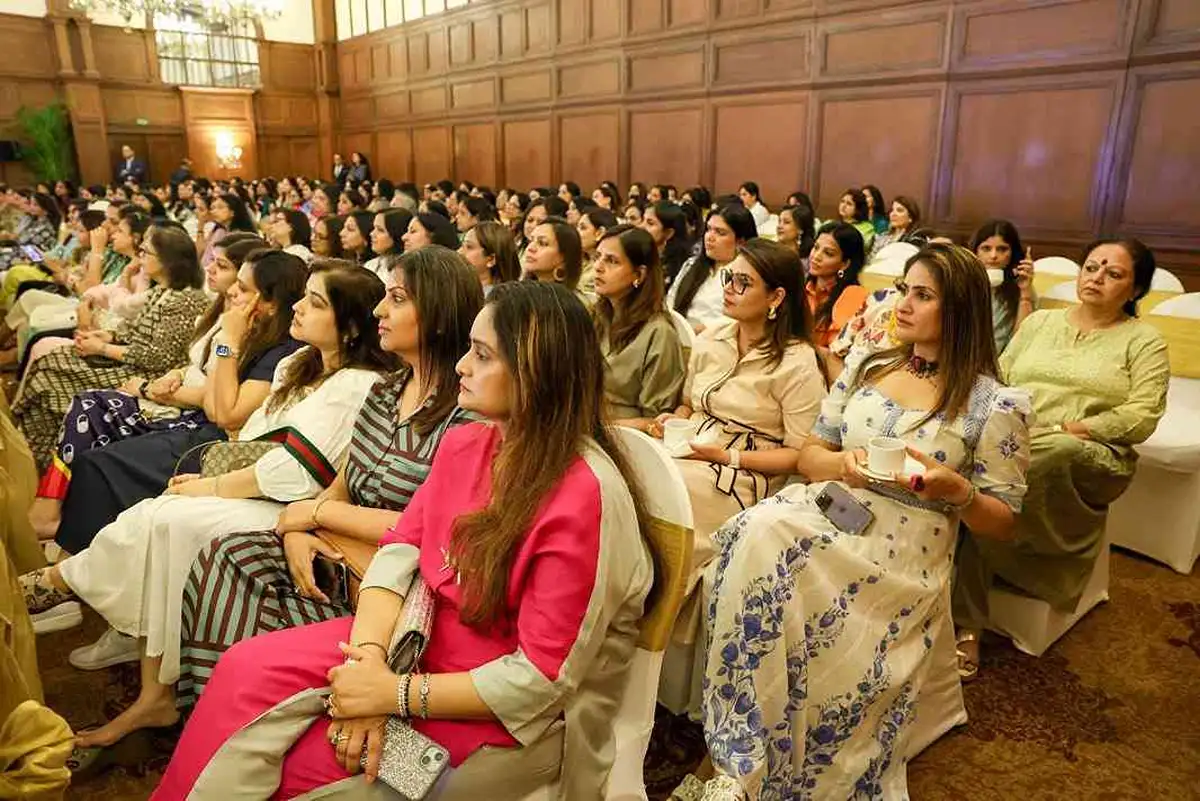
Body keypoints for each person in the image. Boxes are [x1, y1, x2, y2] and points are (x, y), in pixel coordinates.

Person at [154, 281, 654, 800]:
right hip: (414, 640)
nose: (461, 366)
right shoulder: (468, 443)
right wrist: (369, 660)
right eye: (468, 349)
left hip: (498, 706)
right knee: (242, 670)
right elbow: (399, 551)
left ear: (537, 373)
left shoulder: (585, 497)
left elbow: (541, 677)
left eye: (482, 356)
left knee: (308, 767)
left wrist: (394, 694)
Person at [689, 243, 1030, 800]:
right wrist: (844, 466)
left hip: (905, 546)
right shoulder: (869, 366)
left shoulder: (994, 404)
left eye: (923, 296)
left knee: (770, 541)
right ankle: (742, 751)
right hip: (833, 506)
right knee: (754, 533)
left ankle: (758, 757)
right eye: (902, 290)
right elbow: (809, 456)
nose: (903, 304)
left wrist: (958, 491)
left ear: (960, 309)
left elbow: (1004, 523)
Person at [19, 265, 395, 754]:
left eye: (316, 303)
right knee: (159, 513)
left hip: (289, 501)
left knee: (169, 516)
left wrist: (213, 484)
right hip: (241, 470)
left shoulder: (354, 383)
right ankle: (149, 687)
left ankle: (60, 583)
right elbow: (239, 431)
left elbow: (292, 468)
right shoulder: (297, 362)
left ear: (350, 327)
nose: (299, 308)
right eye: (303, 296)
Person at [174, 246, 484, 705]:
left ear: (438, 315)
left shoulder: (464, 413)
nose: (379, 310)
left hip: (394, 575)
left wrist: (311, 515)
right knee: (224, 556)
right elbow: (342, 482)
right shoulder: (383, 390)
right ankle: (213, 707)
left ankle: (262, 703)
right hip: (334, 542)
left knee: (211, 546)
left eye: (397, 299)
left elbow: (429, 528)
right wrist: (301, 530)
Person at [953, 237, 1168, 680]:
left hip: (1090, 453)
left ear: (1135, 289)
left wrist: (1076, 428)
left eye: (1114, 274)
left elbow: (1143, 414)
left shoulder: (1143, 340)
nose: (1097, 277)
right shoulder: (1041, 322)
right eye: (1091, 267)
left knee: (1019, 466)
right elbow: (999, 376)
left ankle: (967, 623)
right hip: (1017, 441)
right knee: (982, 473)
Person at [38, 246, 307, 561]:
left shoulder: (280, 349)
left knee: (98, 463)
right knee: (93, 440)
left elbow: (223, 414)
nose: (233, 291)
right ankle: (73, 557)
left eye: (244, 287)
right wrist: (217, 350)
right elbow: (211, 395)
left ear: (272, 303)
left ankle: (71, 568)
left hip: (221, 445)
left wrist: (228, 343)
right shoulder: (252, 330)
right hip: (203, 426)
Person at [650, 238, 827, 576]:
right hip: (692, 448)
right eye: (729, 278)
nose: (729, 288)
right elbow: (688, 404)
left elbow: (800, 455)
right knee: (628, 470)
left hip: (745, 474)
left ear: (776, 297)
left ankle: (663, 590)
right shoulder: (712, 337)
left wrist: (727, 457)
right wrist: (674, 420)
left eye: (743, 282)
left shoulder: (798, 362)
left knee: (661, 488)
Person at [12, 225, 210, 471]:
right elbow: (133, 329)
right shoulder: (163, 290)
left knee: (49, 379)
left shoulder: (186, 300)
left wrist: (102, 348)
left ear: (167, 261)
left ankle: (42, 462)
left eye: (146, 252)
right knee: (49, 361)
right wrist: (107, 335)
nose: (140, 256)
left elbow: (158, 357)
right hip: (133, 361)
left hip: (148, 374)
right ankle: (32, 454)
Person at [592, 225, 685, 431]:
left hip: (625, 437)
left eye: (612, 261)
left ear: (639, 275)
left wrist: (596, 427)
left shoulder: (659, 333)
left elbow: (656, 421)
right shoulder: (596, 316)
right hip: (584, 426)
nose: (598, 266)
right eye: (597, 257)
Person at [667, 205, 757, 333]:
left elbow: (741, 319)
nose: (710, 237)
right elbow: (670, 302)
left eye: (720, 233)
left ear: (740, 241)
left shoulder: (748, 276)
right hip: (679, 333)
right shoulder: (691, 265)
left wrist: (702, 330)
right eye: (708, 229)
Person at [969, 219, 1037, 353]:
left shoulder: (1022, 288)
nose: (993, 256)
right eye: (986, 248)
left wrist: (1025, 292)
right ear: (975, 251)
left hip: (1002, 359)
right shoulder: (962, 282)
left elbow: (1022, 340)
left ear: (1012, 253)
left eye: (1002, 249)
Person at [807, 221, 869, 348]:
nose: (816, 256)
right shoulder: (803, 287)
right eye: (816, 247)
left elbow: (837, 350)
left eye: (828, 253)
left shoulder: (854, 295)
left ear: (845, 264)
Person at [523, 216, 585, 299]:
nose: (530, 248)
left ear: (564, 258)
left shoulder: (573, 302)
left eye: (542, 243)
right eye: (530, 241)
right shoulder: (520, 293)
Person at [458, 220, 520, 295]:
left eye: (469, 247)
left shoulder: (495, 299)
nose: (459, 252)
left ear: (491, 259)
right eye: (462, 245)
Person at [869, 195, 922, 261]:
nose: (893, 214)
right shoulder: (881, 236)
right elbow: (870, 260)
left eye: (899, 210)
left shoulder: (915, 240)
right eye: (892, 210)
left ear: (910, 218)